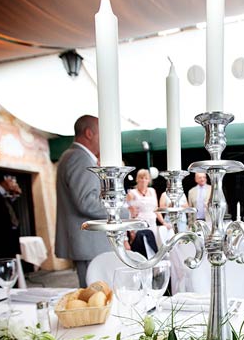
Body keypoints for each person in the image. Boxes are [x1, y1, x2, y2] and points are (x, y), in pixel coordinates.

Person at [55, 115, 113, 287]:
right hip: (90, 242)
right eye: (102, 134)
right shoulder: (80, 157)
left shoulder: (73, 156)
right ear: (89, 133)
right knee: (96, 296)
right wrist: (123, 211)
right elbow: (86, 202)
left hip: (88, 242)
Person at [126, 169, 171, 255]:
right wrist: (131, 231)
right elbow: (128, 212)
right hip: (139, 224)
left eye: (146, 178)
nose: (143, 180)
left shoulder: (152, 191)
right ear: (137, 179)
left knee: (152, 248)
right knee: (141, 248)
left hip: (152, 223)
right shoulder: (132, 193)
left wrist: (163, 222)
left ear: (149, 180)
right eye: (141, 178)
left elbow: (156, 209)